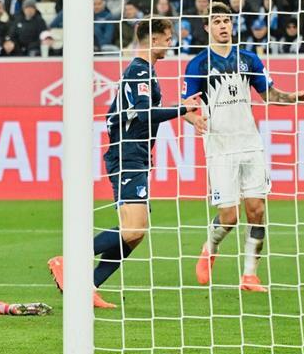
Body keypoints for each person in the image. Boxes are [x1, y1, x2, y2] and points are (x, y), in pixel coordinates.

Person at [47, 19, 202, 308]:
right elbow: (144, 114)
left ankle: (88, 286)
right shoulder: (139, 71)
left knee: (134, 235)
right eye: (168, 38)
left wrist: (183, 111)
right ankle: (68, 260)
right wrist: (182, 108)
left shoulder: (146, 72)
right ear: (153, 39)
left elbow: (132, 112)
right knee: (133, 230)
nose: (171, 44)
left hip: (136, 155)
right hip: (128, 155)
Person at [183, 3, 304, 289]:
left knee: (257, 210)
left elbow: (269, 95)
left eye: (227, 20)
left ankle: (249, 274)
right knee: (229, 216)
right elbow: (187, 106)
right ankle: (210, 247)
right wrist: (195, 119)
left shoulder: (249, 59)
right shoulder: (198, 64)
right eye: (217, 21)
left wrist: (293, 97)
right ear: (207, 27)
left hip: (250, 143)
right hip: (219, 146)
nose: (223, 26)